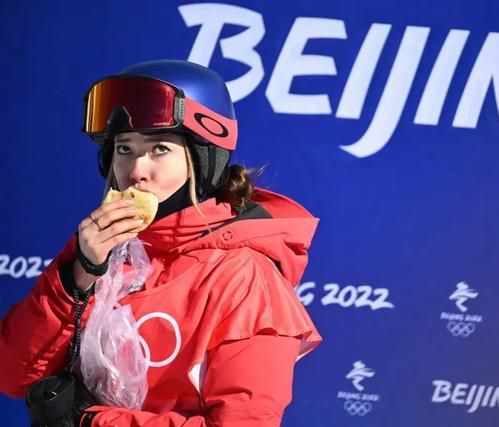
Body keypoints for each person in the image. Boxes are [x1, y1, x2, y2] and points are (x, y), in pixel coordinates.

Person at [0, 59, 322, 426]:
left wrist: (94, 423)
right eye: (124, 149)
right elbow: (13, 376)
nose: (136, 170)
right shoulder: (104, 251)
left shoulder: (245, 277)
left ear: (203, 158)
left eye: (159, 150)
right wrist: (77, 277)